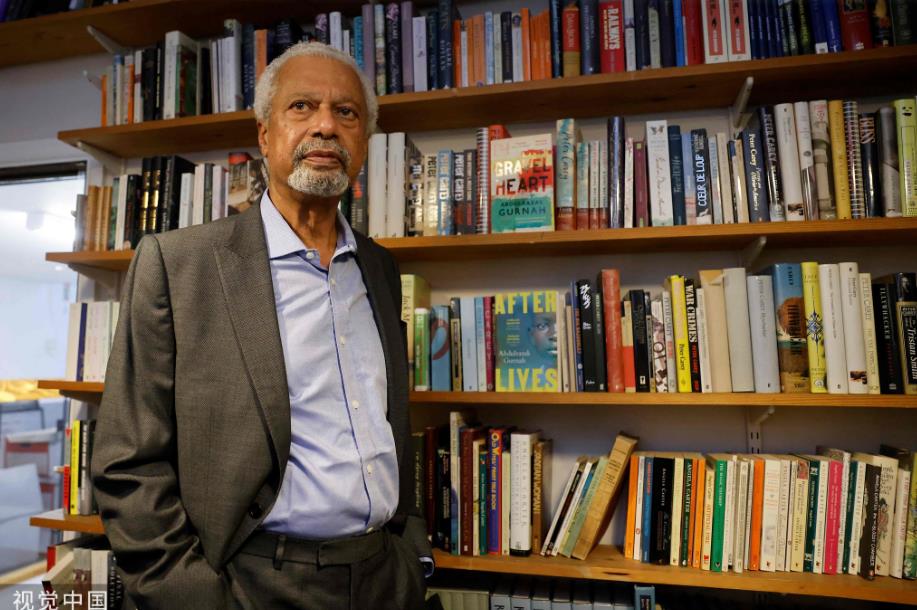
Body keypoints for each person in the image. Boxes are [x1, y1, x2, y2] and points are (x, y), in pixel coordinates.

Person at [91, 42, 432, 610]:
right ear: (265, 135)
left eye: (346, 112)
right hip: (249, 583)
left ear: (364, 143)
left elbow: (388, 424)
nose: (326, 125)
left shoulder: (379, 269)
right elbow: (127, 461)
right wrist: (193, 596)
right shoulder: (178, 266)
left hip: (382, 580)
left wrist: (411, 556)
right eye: (302, 106)